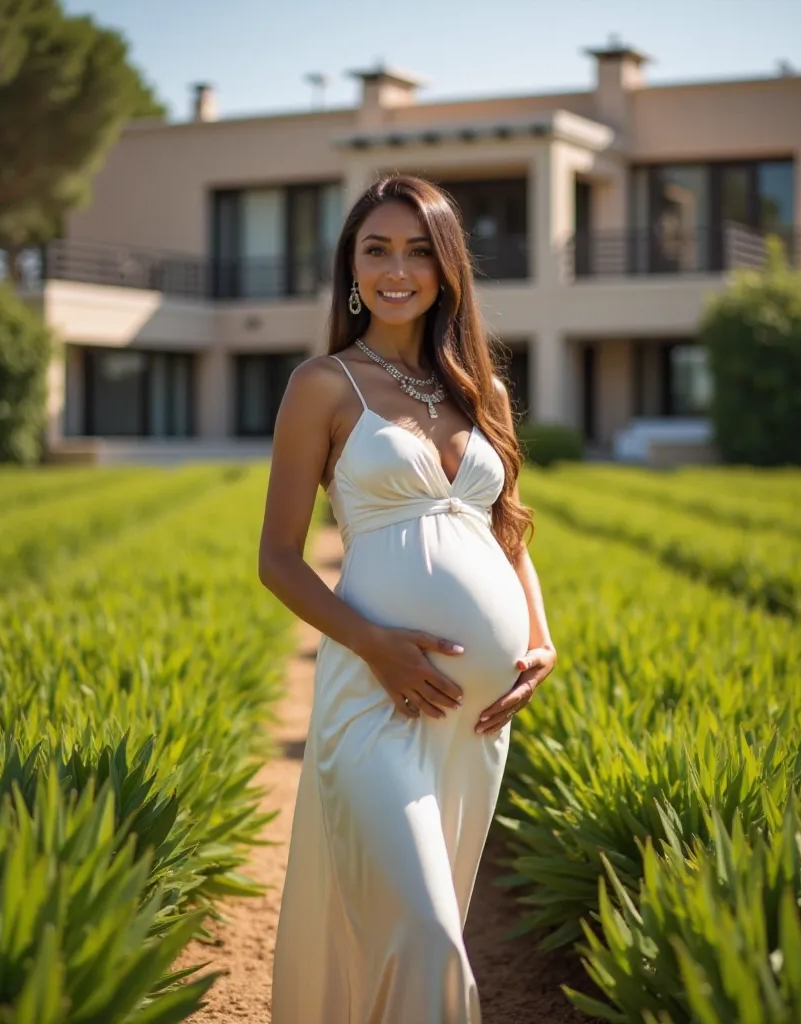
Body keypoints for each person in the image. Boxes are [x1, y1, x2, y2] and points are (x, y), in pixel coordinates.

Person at [259, 174, 557, 1024]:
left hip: (478, 718)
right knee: (426, 933)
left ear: (447, 269)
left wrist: (541, 640)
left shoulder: (483, 392)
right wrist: (378, 646)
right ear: (351, 270)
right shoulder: (322, 384)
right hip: (376, 696)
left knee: (424, 931)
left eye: (419, 250)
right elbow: (277, 559)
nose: (399, 269)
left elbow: (509, 534)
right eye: (376, 249)